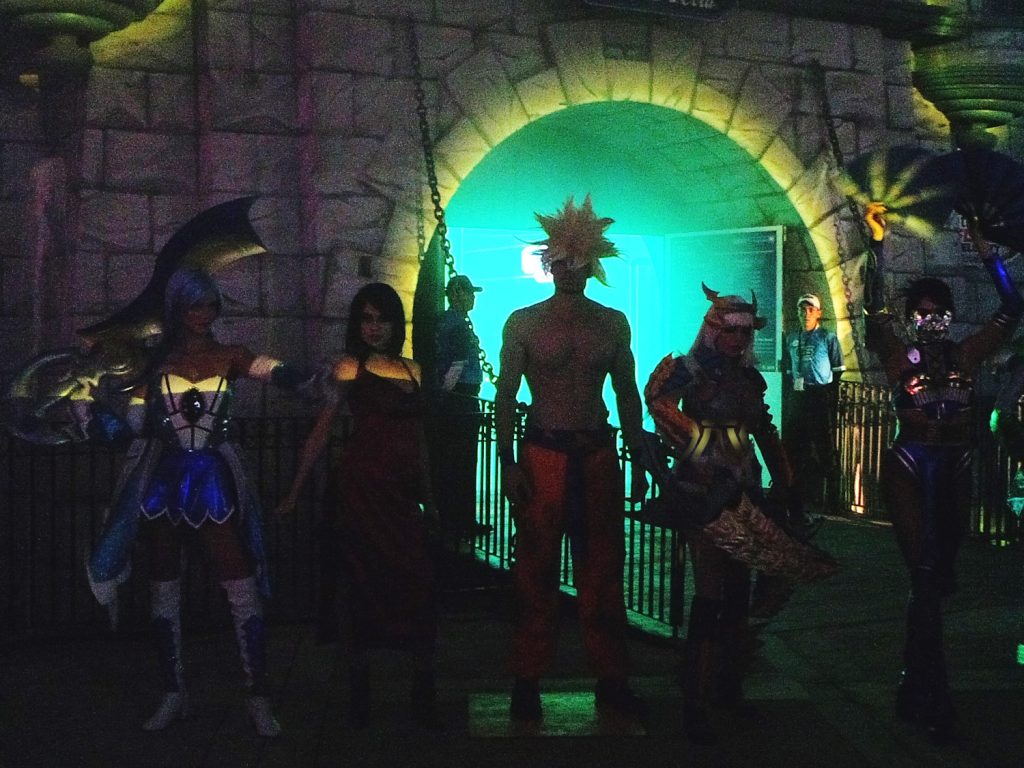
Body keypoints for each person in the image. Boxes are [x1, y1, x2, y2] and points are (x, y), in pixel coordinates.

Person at [86, 268, 307, 737]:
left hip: (211, 478)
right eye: (194, 305)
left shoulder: (232, 355)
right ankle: (174, 693)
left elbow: (280, 373)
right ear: (178, 309)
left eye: (210, 305)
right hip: (164, 480)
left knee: (240, 582)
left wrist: (317, 378)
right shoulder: (156, 364)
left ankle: (258, 696)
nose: (203, 314)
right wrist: (87, 411)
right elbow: (133, 427)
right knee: (163, 585)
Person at [644, 283, 838, 745]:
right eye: (729, 331)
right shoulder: (688, 370)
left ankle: (727, 687)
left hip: (745, 486)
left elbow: (764, 430)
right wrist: (705, 448)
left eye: (744, 332)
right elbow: (658, 402)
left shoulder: (748, 379)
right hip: (704, 492)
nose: (737, 339)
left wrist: (787, 485)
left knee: (738, 596)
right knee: (711, 596)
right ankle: (696, 701)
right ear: (713, 330)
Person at [863, 202, 1023, 743]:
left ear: (950, 317)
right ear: (912, 317)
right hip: (911, 463)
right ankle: (935, 694)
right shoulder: (898, 357)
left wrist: (987, 253)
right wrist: (877, 245)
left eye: (939, 313)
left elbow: (1012, 307)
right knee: (925, 575)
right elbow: (873, 310)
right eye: (922, 313)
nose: (931, 321)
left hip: (954, 464)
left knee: (937, 577)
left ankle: (914, 682)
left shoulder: (967, 355)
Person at [495, 195, 649, 724]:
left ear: (591, 266)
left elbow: (626, 392)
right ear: (549, 264)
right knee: (534, 571)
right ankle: (526, 679)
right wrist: (509, 462)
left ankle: (611, 678)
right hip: (544, 455)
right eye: (561, 262)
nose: (569, 271)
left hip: (596, 455)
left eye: (578, 263)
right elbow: (506, 395)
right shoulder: (524, 323)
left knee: (603, 570)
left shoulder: (612, 323)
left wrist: (639, 457)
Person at [278, 282, 443, 730]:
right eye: (366, 319)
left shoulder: (413, 369)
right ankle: (360, 687)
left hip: (401, 494)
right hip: (362, 490)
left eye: (382, 319)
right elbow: (322, 430)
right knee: (361, 582)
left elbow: (420, 440)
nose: (374, 327)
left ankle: (422, 685)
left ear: (395, 323)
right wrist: (295, 489)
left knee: (417, 581)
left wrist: (431, 499)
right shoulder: (351, 366)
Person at [432, 273, 490, 544]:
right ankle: (461, 520)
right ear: (457, 294)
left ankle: (456, 518)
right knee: (463, 461)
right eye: (469, 293)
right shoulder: (457, 326)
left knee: (454, 461)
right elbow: (457, 364)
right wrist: (447, 394)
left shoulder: (448, 322)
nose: (473, 299)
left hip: (453, 398)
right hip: (461, 398)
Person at [782, 292, 845, 516]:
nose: (806, 314)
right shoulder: (791, 338)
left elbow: (838, 369)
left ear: (818, 313)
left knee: (824, 446)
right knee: (795, 447)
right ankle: (797, 496)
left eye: (810, 310)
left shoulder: (828, 337)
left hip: (819, 395)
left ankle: (834, 499)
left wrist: (829, 395)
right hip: (799, 395)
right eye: (802, 310)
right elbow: (788, 369)